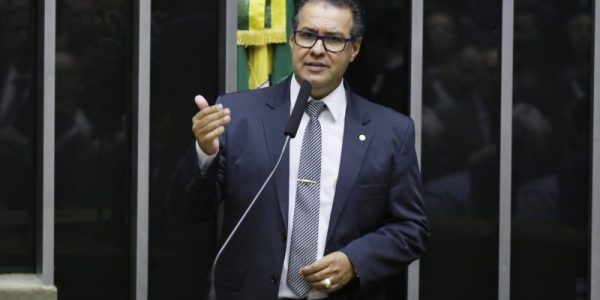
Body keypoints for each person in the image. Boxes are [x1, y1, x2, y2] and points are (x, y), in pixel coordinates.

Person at [172, 0, 429, 298]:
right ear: (292, 40)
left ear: (354, 49)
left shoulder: (390, 131)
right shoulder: (237, 114)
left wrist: (354, 261)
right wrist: (205, 152)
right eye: (307, 35)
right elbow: (187, 210)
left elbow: (412, 228)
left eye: (333, 39)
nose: (317, 49)